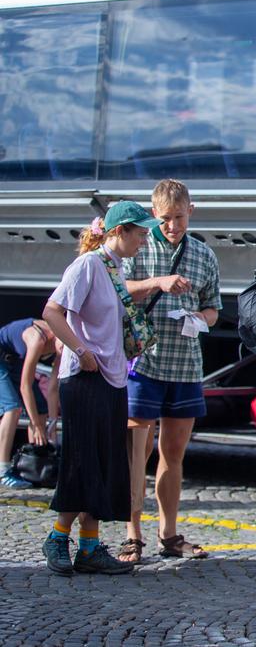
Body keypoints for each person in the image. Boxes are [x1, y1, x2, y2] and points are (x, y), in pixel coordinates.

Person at [41, 200, 161, 576]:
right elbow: (51, 311)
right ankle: (58, 537)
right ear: (118, 231)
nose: (145, 240)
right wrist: (80, 348)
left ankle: (90, 547)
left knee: (105, 462)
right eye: (140, 234)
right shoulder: (89, 265)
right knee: (82, 460)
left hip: (112, 377)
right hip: (84, 378)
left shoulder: (115, 268)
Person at [120, 179, 222, 564]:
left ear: (190, 212)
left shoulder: (202, 254)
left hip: (185, 364)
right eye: (165, 219)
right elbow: (118, 288)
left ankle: (168, 532)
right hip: (144, 362)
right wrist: (157, 282)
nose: (173, 226)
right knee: (137, 451)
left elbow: (214, 307)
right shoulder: (139, 246)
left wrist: (200, 317)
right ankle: (133, 533)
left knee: (174, 453)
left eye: (179, 218)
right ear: (153, 214)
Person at [0, 318, 60, 488]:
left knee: (40, 409)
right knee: (13, 408)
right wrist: (37, 425)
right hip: (2, 357)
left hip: (16, 360)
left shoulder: (63, 344)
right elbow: (25, 386)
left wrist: (52, 423)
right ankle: (2, 471)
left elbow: (53, 387)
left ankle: (35, 465)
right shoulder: (37, 339)